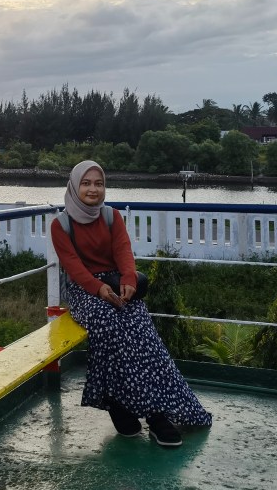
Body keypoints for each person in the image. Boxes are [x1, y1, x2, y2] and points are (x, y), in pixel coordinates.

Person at [51, 160, 213, 447]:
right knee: (108, 324)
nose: (92, 189)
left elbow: (123, 251)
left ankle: (129, 406)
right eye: (86, 183)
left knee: (141, 330)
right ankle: (147, 413)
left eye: (98, 183)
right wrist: (99, 289)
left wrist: (129, 280)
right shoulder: (60, 225)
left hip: (115, 285)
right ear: (74, 186)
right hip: (84, 290)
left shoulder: (111, 216)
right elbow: (74, 268)